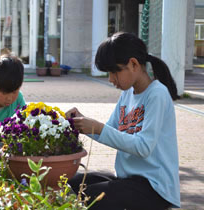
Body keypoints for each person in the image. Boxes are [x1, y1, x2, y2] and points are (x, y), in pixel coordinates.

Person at [66, 32, 180, 210]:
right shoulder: (127, 94)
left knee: (90, 197)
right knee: (70, 182)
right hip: (129, 180)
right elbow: (110, 131)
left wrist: (97, 127)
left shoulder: (157, 94)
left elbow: (143, 147)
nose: (111, 79)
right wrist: (83, 123)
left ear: (133, 64)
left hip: (154, 188)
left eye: (114, 72)